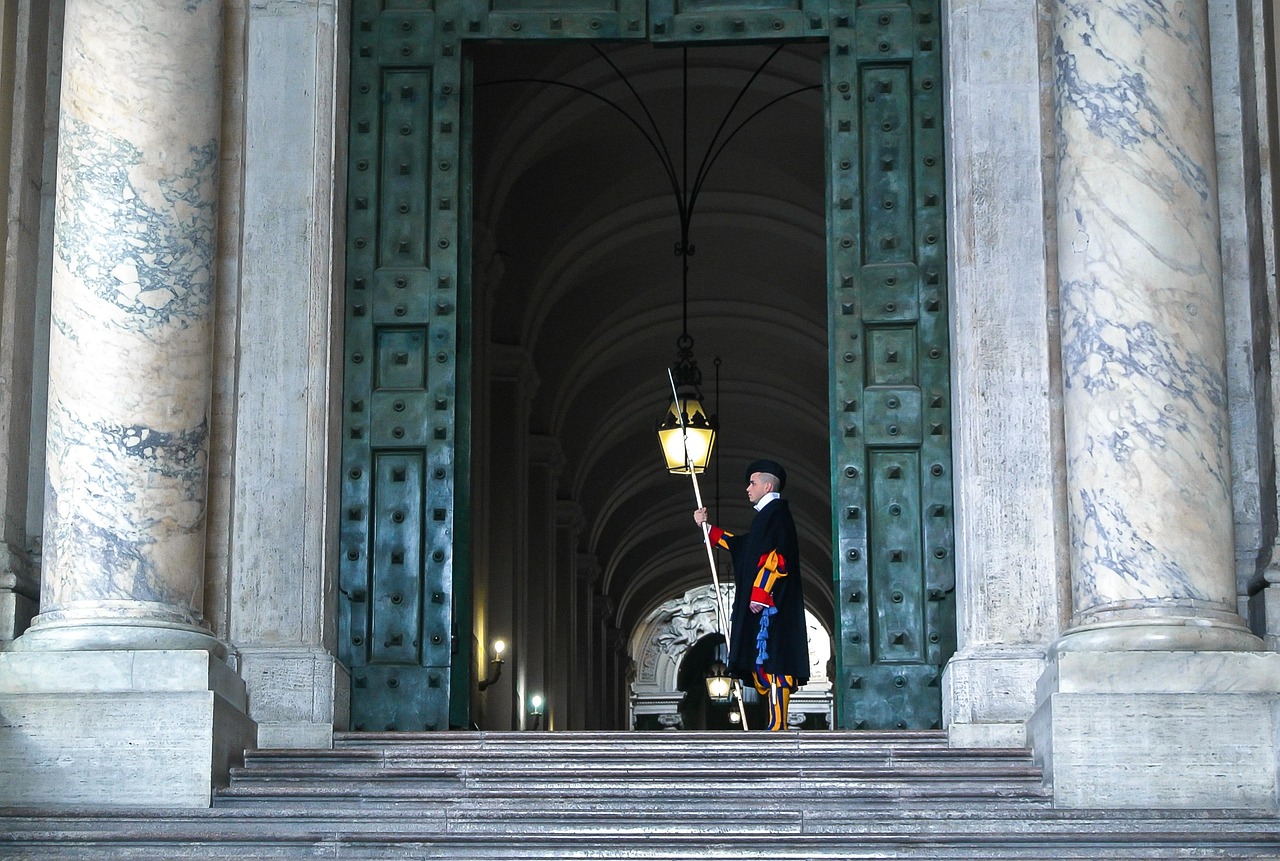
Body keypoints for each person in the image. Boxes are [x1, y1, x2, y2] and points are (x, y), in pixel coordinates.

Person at [694, 459, 809, 730]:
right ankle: (775, 722)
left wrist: (759, 593)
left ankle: (778, 724)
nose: (747, 488)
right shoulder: (766, 517)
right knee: (765, 664)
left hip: (771, 606)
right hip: (765, 606)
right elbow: (743, 547)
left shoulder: (777, 514)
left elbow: (776, 557)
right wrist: (707, 529)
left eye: (752, 483)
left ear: (767, 485)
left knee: (776, 663)